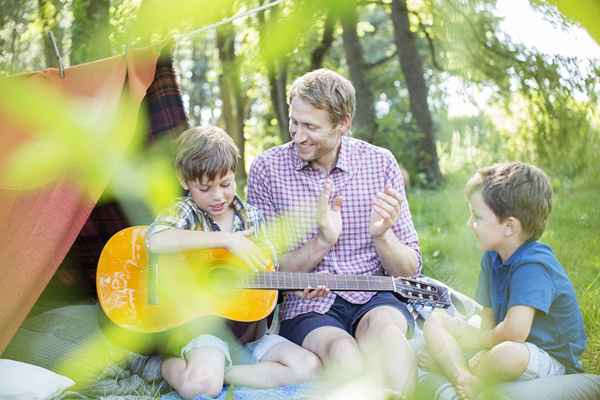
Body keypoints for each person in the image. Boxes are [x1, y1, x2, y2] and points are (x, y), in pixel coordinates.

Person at [247, 68, 421, 397]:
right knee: (343, 352)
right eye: (294, 122)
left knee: (388, 338)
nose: (298, 135)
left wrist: (383, 236)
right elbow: (267, 269)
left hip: (373, 296)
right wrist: (322, 241)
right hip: (308, 308)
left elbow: (410, 269)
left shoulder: (380, 163)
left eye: (311, 126)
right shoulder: (267, 170)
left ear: (343, 123)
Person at [145, 126, 322, 400]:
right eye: (205, 188)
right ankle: (163, 366)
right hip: (206, 332)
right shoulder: (186, 211)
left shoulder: (252, 218)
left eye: (226, 184)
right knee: (201, 388)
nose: (217, 196)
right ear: (184, 180)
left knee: (309, 368)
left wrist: (297, 289)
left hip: (249, 335)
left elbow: (268, 274)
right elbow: (156, 240)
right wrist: (226, 240)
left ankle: (221, 373)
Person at [422, 161, 587, 400]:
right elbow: (488, 319)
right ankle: (463, 375)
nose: (470, 224)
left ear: (509, 226)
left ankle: (454, 366)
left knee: (507, 354)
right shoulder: (492, 257)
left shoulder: (534, 265)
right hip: (502, 343)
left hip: (546, 357)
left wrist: (476, 341)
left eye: (477, 217)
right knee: (436, 319)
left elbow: (515, 332)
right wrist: (478, 341)